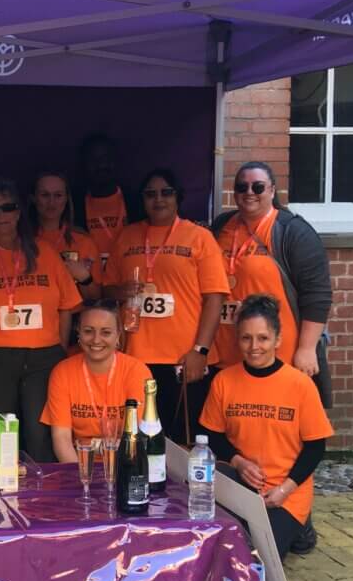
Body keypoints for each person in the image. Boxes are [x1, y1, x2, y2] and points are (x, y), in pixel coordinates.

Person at [200, 294, 333, 561]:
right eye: (246, 338)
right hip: (240, 483)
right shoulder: (225, 381)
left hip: (286, 492)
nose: (254, 346)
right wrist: (238, 462)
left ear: (278, 340)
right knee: (216, 548)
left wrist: (286, 488)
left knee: (256, 560)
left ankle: (299, 525)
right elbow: (212, 434)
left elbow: (316, 446)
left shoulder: (300, 385)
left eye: (263, 338)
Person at [0, 178, 83, 462]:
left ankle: (44, 499)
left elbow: (68, 305)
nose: (1, 215)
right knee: (0, 429)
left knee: (40, 431)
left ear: (18, 212)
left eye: (7, 208)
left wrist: (59, 346)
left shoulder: (45, 252)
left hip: (44, 357)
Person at [104, 168, 229, 443]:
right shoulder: (126, 237)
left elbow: (215, 297)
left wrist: (200, 350)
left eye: (166, 193)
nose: (158, 200)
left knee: (184, 440)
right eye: (150, 194)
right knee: (140, 439)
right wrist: (120, 290)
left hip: (184, 359)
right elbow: (106, 289)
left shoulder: (199, 237)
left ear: (178, 197)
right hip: (136, 357)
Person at [211, 161, 333, 407]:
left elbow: (317, 294)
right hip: (226, 351)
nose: (249, 193)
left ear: (272, 191)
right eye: (242, 187)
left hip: (277, 353)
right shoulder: (222, 226)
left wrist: (307, 348)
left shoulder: (292, 231)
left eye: (258, 187)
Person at [42, 301, 153, 463]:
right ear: (78, 333)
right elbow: (61, 438)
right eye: (88, 331)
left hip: (126, 465)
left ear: (118, 335)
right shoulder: (62, 372)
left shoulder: (136, 371)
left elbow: (138, 438)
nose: (96, 340)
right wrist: (81, 478)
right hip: (78, 464)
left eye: (106, 333)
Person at [29, 171, 101, 303]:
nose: (51, 202)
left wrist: (84, 278)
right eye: (45, 195)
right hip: (40, 319)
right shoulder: (22, 241)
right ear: (33, 198)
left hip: (75, 317)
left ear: (66, 199)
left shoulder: (83, 241)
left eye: (58, 195)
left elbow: (96, 298)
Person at [73, 133, 141, 269]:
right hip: (89, 279)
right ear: (84, 164)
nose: (102, 165)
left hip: (128, 276)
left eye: (107, 158)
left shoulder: (136, 202)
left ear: (116, 162)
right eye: (94, 159)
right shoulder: (73, 205)